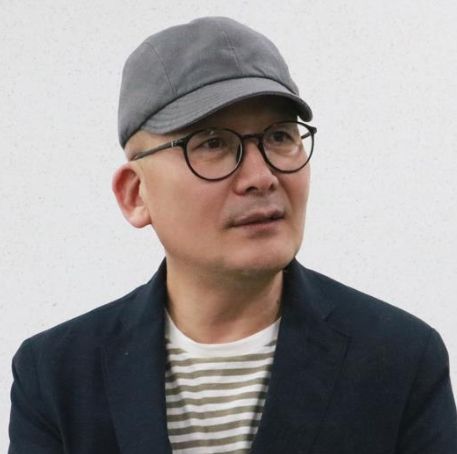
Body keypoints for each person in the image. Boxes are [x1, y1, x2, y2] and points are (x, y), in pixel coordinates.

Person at [8, 16, 457, 454]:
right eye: (212, 143)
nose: (261, 177)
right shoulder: (57, 376)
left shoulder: (399, 360)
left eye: (280, 137)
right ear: (135, 194)